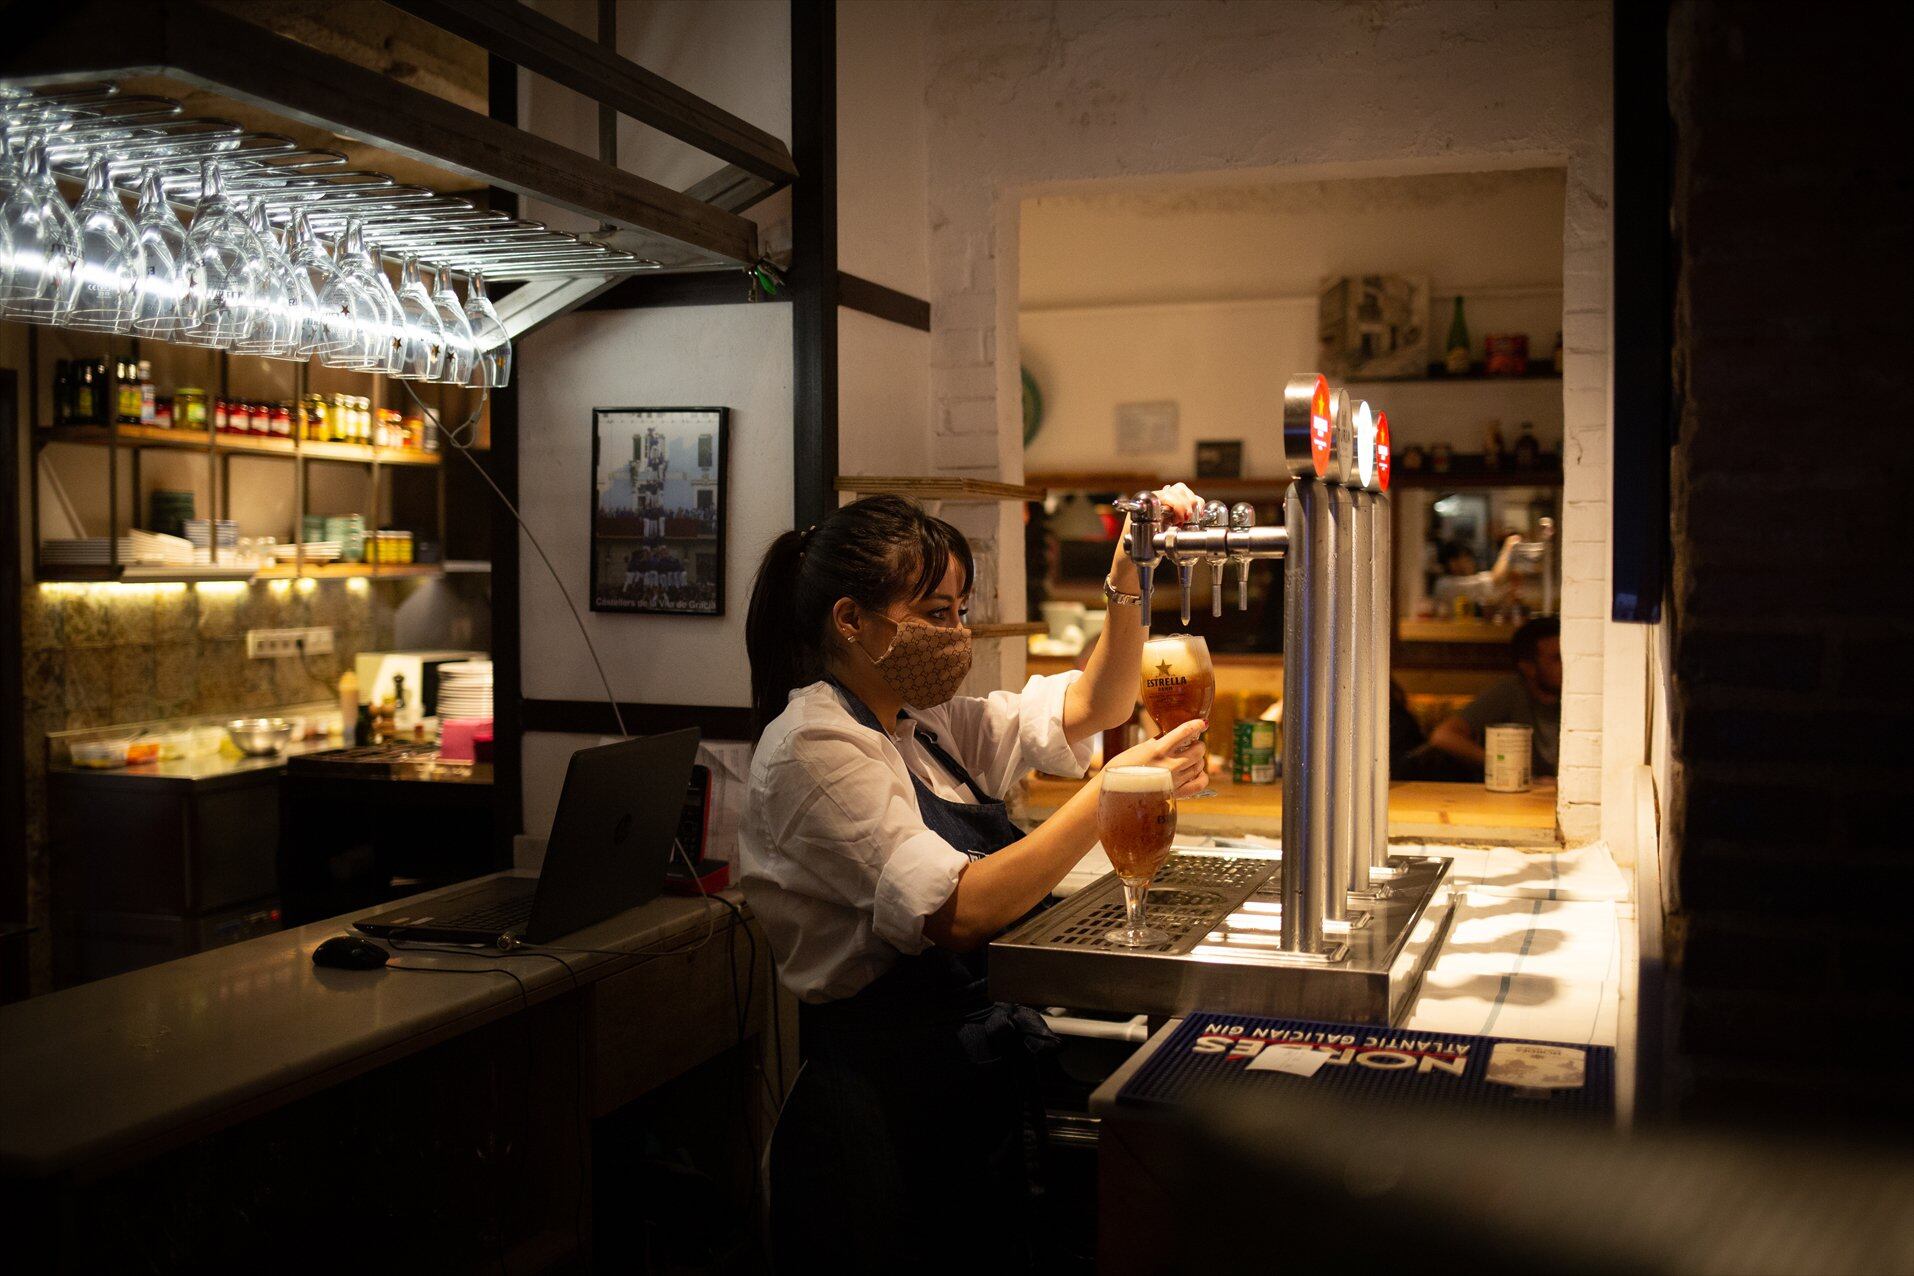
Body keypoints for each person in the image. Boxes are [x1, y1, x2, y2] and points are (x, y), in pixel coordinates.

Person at [741, 490, 1209, 1270]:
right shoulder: (812, 749)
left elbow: (1100, 701)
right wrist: (1108, 796)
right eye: (934, 612)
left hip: (966, 1080)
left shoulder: (922, 724)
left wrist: (1129, 573)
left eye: (960, 610)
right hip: (882, 1103)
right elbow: (958, 911)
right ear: (849, 619)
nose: (956, 634)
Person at [1422, 616, 1562, 778]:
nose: (1567, 665)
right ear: (1528, 668)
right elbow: (1443, 735)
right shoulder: (1512, 691)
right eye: (1557, 658)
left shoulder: (1580, 696)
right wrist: (1507, 767)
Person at [1431, 532, 1520, 611]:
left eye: (1467, 558)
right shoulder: (1444, 584)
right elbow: (1494, 579)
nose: (1463, 563)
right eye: (1456, 559)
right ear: (1447, 563)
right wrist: (1509, 546)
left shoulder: (1475, 579)